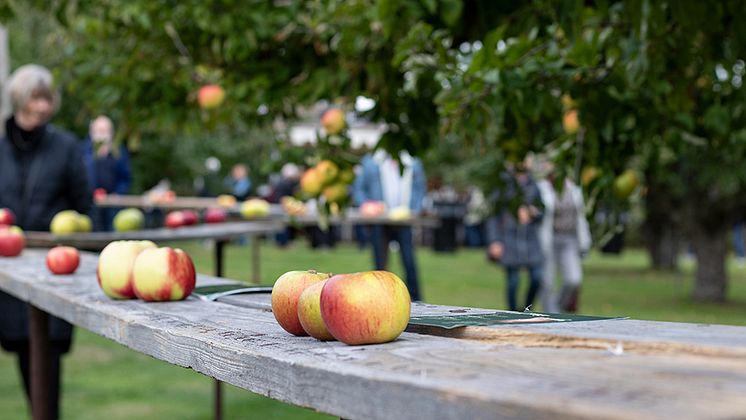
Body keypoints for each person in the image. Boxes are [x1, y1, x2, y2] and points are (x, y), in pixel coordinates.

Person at [0, 64, 92, 419]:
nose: (42, 106)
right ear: (19, 99)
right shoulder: (2, 148)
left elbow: (85, 208)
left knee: (46, 364)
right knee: (22, 352)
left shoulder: (65, 147)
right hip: (6, 273)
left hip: (52, 269)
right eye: (35, 97)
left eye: (46, 98)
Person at [353, 149, 427, 301]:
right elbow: (359, 189)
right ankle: (380, 298)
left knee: (408, 260)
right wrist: (366, 205)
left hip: (404, 219)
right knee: (380, 263)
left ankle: (416, 300)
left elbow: (420, 188)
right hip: (379, 220)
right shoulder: (372, 161)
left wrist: (416, 209)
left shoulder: (412, 161)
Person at [485, 164, 544, 312]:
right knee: (513, 281)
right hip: (509, 239)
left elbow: (542, 211)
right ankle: (512, 312)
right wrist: (494, 241)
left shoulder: (533, 185)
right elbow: (493, 215)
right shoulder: (503, 185)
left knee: (537, 277)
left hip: (530, 240)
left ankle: (526, 309)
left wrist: (533, 212)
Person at [537, 176, 592, 313]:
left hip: (570, 240)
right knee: (547, 282)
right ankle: (550, 314)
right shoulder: (543, 188)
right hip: (549, 239)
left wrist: (585, 242)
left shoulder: (574, 189)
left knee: (573, 280)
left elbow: (581, 217)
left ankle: (558, 307)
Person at [81, 115, 132, 231]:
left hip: (112, 202)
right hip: (90, 202)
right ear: (92, 131)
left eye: (105, 130)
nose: (102, 134)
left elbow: (125, 177)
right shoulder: (83, 150)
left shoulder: (119, 151)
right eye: (99, 130)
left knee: (112, 232)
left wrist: (118, 193)